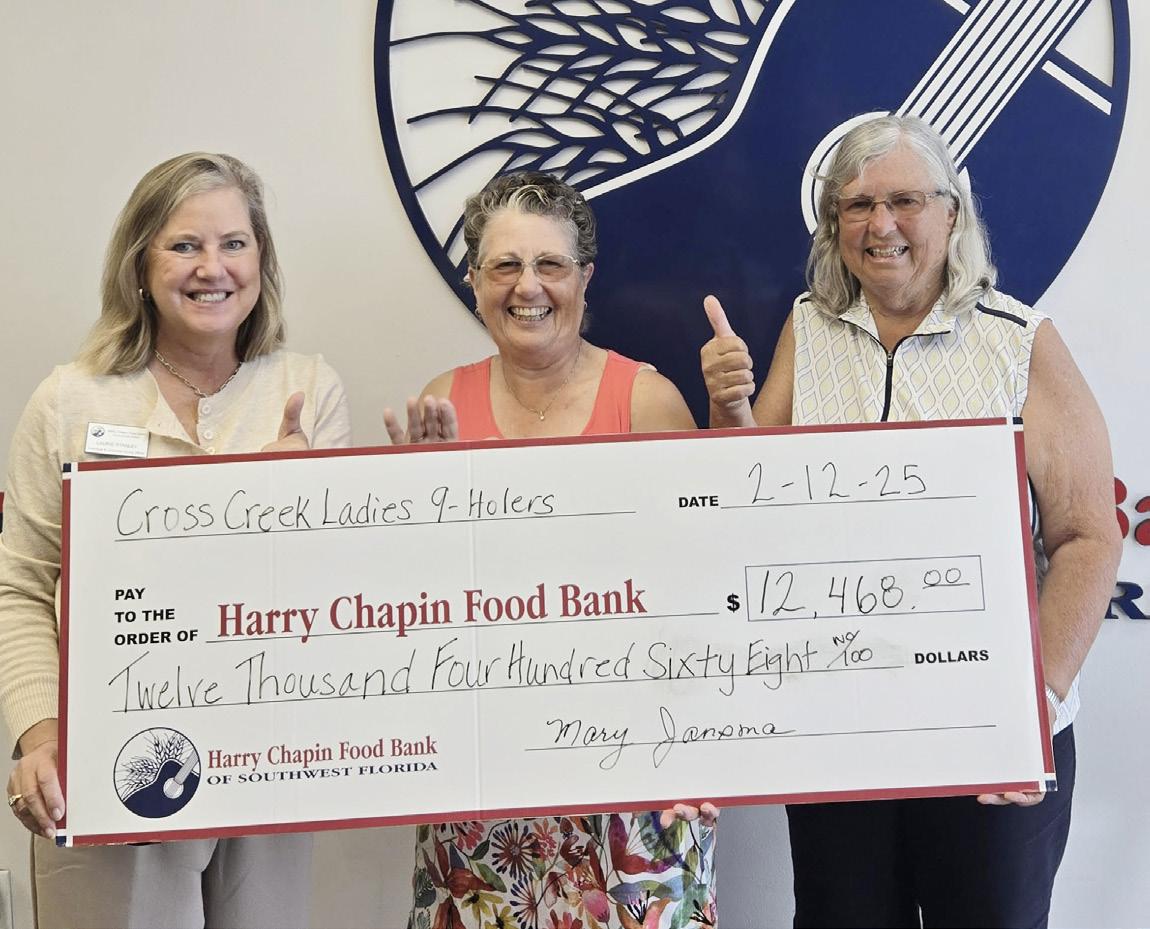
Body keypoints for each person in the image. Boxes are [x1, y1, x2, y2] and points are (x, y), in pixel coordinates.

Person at [700, 115, 1121, 927]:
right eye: (857, 205)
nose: (880, 224)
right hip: (843, 726)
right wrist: (728, 404)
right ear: (834, 225)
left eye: (904, 201)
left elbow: (1088, 535)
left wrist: (1035, 699)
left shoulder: (1019, 342)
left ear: (952, 213)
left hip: (990, 734)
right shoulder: (810, 327)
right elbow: (749, 496)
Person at [0, 152, 351, 928]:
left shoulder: (306, 391)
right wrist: (43, 737)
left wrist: (300, 509)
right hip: (105, 765)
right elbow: (19, 588)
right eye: (184, 244)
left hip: (268, 762)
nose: (211, 268)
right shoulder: (68, 400)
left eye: (234, 244)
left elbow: (332, 599)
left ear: (261, 260)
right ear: (140, 263)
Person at [385, 172, 718, 929]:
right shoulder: (442, 401)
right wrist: (412, 519)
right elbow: (412, 610)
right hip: (484, 793)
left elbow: (702, 596)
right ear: (475, 282)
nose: (527, 286)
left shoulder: (647, 400)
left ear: (584, 278)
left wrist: (701, 747)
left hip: (636, 784)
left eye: (550, 265)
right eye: (505, 265)